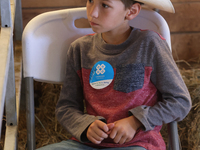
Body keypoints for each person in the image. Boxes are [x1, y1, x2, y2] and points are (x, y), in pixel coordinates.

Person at [37, 0, 191, 149]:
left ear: (131, 11)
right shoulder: (79, 49)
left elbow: (180, 101)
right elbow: (66, 107)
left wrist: (135, 121)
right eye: (90, 1)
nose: (93, 13)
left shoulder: (149, 44)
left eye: (105, 5)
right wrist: (85, 125)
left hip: (139, 144)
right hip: (87, 145)